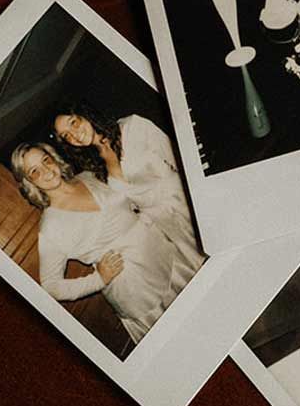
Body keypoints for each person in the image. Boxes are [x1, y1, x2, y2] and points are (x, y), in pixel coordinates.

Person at [11, 141, 194, 345]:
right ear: (28, 181)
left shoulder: (86, 177)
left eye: (46, 160)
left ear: (53, 158)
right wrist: (99, 279)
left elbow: (126, 201)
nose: (46, 171)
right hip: (140, 290)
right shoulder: (50, 227)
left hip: (166, 254)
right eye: (35, 171)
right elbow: (51, 286)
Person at [52, 102, 201, 291]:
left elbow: (179, 159)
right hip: (163, 226)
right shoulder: (95, 167)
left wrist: (198, 196)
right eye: (66, 136)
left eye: (73, 123)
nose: (74, 135)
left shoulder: (133, 127)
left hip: (186, 204)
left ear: (84, 114)